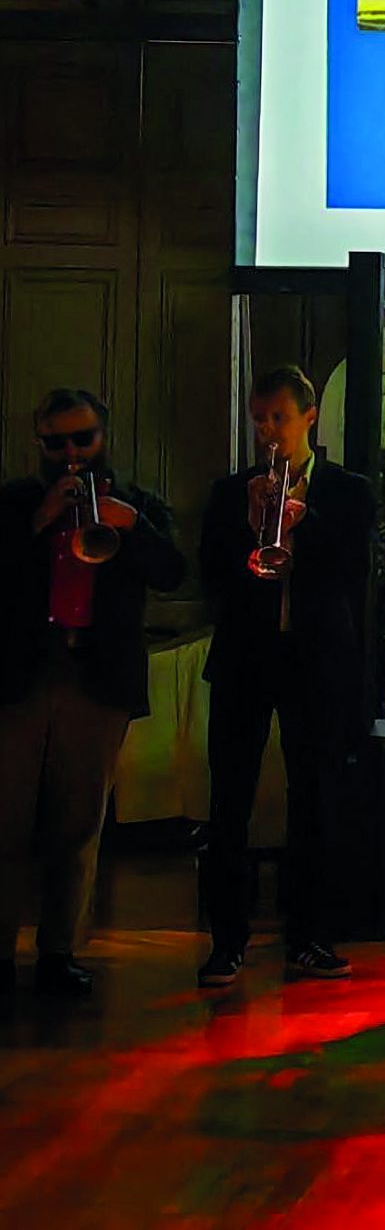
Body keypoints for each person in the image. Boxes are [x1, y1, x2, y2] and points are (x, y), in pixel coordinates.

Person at [196, 365, 381, 990]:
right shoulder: (231, 492)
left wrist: (303, 525)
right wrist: (250, 529)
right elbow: (211, 578)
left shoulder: (347, 491)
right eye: (260, 419)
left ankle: (309, 936)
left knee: (316, 800)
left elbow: (355, 573)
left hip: (317, 662)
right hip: (247, 659)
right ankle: (226, 942)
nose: (268, 431)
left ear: (308, 419)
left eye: (279, 418)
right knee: (229, 802)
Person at [0, 389, 182, 998]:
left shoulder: (137, 505)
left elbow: (173, 572)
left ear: (104, 438)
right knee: (7, 821)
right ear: (41, 445)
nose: (71, 453)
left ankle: (59, 951)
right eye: (58, 442)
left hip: (96, 680)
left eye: (84, 439)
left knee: (78, 823)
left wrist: (132, 527)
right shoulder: (18, 501)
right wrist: (38, 521)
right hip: (22, 677)